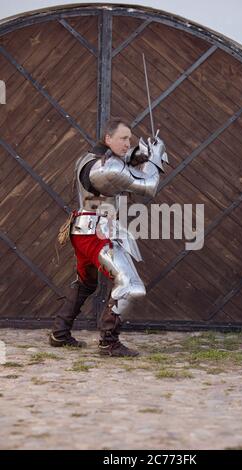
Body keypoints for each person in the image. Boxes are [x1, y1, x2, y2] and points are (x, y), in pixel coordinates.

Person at [49, 118, 168, 357]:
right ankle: (108, 342)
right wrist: (155, 157)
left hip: (84, 230)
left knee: (86, 283)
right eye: (123, 138)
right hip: (96, 234)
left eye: (130, 138)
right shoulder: (106, 168)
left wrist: (138, 153)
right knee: (131, 286)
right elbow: (149, 185)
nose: (128, 143)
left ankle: (59, 333)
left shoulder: (88, 158)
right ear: (108, 139)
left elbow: (123, 163)